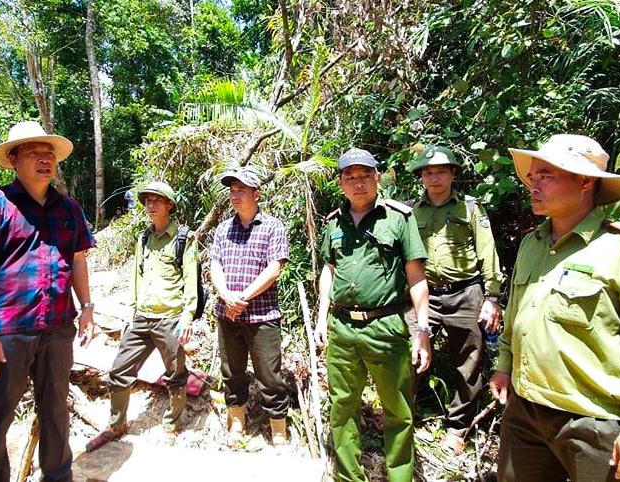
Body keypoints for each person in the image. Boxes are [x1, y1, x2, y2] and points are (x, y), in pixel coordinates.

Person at [489, 134, 620, 481]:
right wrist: (505, 364)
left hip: (594, 420)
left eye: (547, 176)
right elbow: (516, 314)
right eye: (533, 177)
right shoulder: (532, 244)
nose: (534, 186)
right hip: (525, 411)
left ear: (584, 181)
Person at [0, 120, 96, 482]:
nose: (44, 159)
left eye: (48, 153)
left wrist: (88, 309)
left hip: (58, 327)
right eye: (34, 152)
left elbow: (79, 260)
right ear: (14, 159)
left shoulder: (69, 208)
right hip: (8, 332)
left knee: (55, 410)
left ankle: (58, 476)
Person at [315, 147, 432, 482]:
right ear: (340, 183)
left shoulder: (399, 218)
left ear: (377, 178)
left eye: (365, 175)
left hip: (385, 326)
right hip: (341, 328)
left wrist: (422, 330)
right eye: (350, 177)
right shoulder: (333, 223)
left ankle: (399, 476)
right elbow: (329, 270)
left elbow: (416, 277)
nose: (358, 183)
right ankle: (349, 477)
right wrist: (322, 317)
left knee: (397, 411)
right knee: (343, 407)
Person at [406, 145, 504, 454]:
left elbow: (488, 252)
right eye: (428, 172)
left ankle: (458, 427)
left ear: (453, 174)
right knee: (408, 354)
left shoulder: (471, 209)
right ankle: (405, 416)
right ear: (421, 177)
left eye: (441, 171)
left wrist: (492, 297)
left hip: (466, 292)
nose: (434, 177)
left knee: (469, 363)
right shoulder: (411, 211)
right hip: (425, 295)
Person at [86, 180, 197, 451]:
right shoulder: (143, 238)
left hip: (171, 319)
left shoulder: (184, 239)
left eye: (156, 200)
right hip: (142, 318)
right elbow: (137, 277)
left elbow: (191, 282)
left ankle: (171, 423)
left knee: (175, 375)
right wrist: (131, 313)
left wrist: (187, 318)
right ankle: (117, 424)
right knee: (119, 371)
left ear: (169, 205)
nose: (150, 205)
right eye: (147, 200)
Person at [209, 167, 290, 446]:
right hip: (227, 314)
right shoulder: (223, 228)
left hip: (262, 315)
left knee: (269, 374)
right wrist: (225, 295)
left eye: (241, 189)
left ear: (256, 194)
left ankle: (278, 429)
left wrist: (241, 298)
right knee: (232, 372)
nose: (235, 194)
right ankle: (237, 422)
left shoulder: (272, 227)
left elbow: (274, 268)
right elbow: (215, 264)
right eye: (232, 190)